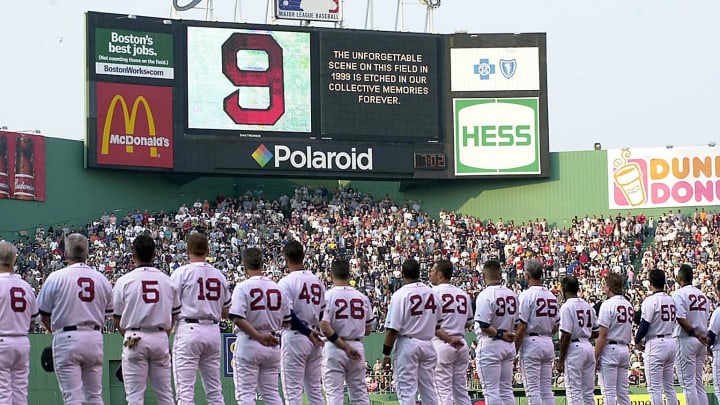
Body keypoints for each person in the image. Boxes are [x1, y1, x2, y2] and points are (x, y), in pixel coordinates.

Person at [37, 233, 113, 404]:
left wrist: (55, 332)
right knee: (94, 396)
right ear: (87, 252)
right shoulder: (101, 279)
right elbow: (110, 312)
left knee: (72, 397)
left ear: (65, 253)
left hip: (67, 337)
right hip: (94, 337)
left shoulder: (56, 277)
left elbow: (43, 314)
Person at [112, 234, 180, 405]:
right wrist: (163, 334)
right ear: (154, 254)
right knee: (165, 395)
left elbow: (116, 319)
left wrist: (129, 336)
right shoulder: (167, 281)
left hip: (133, 336)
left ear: (133, 255)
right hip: (160, 337)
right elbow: (174, 315)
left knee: (134, 397)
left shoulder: (124, 281)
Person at [170, 232, 231, 405]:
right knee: (215, 391)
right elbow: (226, 312)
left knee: (185, 393)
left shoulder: (181, 273)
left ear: (188, 249)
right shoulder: (219, 275)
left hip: (188, 329)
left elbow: (170, 308)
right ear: (207, 250)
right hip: (212, 330)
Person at [229, 247, 289, 405]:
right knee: (271, 394)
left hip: (250, 341)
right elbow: (287, 320)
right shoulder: (277, 288)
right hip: (272, 342)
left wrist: (258, 336)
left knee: (246, 396)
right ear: (262, 263)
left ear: (244, 264)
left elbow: (236, 317)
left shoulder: (242, 287)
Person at [382, 258, 441, 405]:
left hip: (408, 343)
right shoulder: (432, 293)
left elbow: (392, 330)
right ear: (419, 273)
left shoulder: (400, 294)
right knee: (429, 391)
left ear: (403, 274)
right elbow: (438, 324)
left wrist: (386, 354)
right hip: (428, 343)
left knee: (406, 392)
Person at [319, 258, 374, 405]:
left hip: (334, 346)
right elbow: (368, 329)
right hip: (356, 345)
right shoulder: (361, 297)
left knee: (334, 396)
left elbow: (324, 325)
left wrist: (343, 345)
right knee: (360, 395)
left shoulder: (328, 296)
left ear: (331, 275)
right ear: (349, 275)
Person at [278, 240, 326, 405]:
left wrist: (307, 332)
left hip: (297, 335)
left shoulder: (285, 282)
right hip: (316, 336)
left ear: (285, 258)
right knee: (314, 390)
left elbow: (287, 314)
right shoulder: (317, 281)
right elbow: (323, 313)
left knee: (293, 392)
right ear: (303, 256)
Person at [473, 259, 518, 405]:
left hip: (491, 343)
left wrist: (500, 334)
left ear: (484, 276)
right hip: (509, 343)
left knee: (490, 390)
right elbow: (518, 323)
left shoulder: (485, 294)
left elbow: (484, 325)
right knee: (506, 389)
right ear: (500, 274)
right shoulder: (512, 294)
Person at [515, 259, 559, 405]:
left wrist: (514, 349)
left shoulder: (526, 295)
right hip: (547, 341)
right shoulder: (552, 296)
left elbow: (521, 327)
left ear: (527, 275)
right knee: (546, 390)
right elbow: (556, 325)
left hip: (531, 342)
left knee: (532, 390)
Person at [430, 259, 472, 405]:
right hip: (461, 342)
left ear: (440, 274)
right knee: (461, 391)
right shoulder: (463, 294)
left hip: (441, 343)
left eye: (433, 272)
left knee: (442, 392)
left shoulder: (432, 293)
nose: (431, 274)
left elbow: (428, 323)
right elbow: (468, 321)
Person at [0, 241, 38, 404]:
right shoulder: (25, 286)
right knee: (20, 392)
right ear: (14, 260)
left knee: (3, 392)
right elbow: (32, 322)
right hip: (22, 341)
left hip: (2, 341)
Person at [634, 269, 677, 405]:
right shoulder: (671, 300)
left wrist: (636, 340)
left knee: (654, 388)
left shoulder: (650, 301)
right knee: (669, 387)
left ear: (650, 283)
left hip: (656, 343)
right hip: (670, 340)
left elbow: (644, 325)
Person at [672, 263, 710, 405]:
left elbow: (681, 318)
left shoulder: (678, 294)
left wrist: (694, 333)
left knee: (688, 384)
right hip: (701, 340)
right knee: (698, 383)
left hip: (687, 338)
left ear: (679, 278)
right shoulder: (703, 296)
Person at [557, 275, 598, 405]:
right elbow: (596, 332)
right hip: (587, 346)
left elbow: (566, 335)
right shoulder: (587, 306)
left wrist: (561, 359)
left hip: (574, 348)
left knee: (573, 391)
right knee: (588, 392)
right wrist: (583, 333)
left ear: (563, 289)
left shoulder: (566, 306)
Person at [595, 273, 633, 405]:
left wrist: (595, 356)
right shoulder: (628, 304)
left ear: (609, 287)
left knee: (608, 392)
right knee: (623, 392)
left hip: (610, 349)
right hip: (624, 348)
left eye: (605, 285)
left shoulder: (607, 304)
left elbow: (603, 334)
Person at [706, 279, 720, 403]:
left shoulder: (718, 312)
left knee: (719, 390)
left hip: (719, 351)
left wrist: (706, 348)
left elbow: (711, 335)